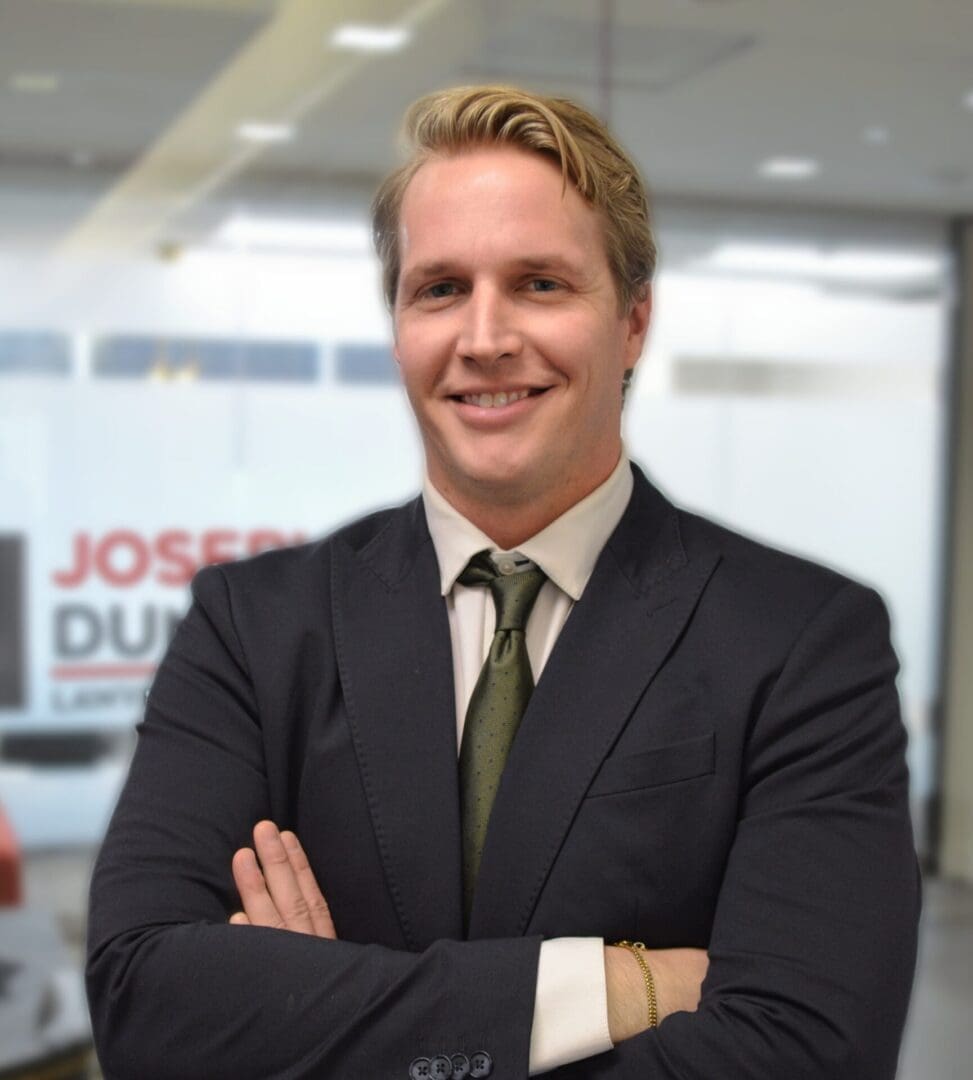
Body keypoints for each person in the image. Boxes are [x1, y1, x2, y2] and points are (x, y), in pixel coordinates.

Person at [86, 85, 920, 1079]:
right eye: (440, 288)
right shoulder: (252, 629)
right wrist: (606, 989)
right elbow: (143, 999)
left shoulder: (802, 638)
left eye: (538, 284)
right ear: (399, 325)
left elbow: (806, 1049)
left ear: (635, 322)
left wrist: (313, 1017)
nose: (483, 338)